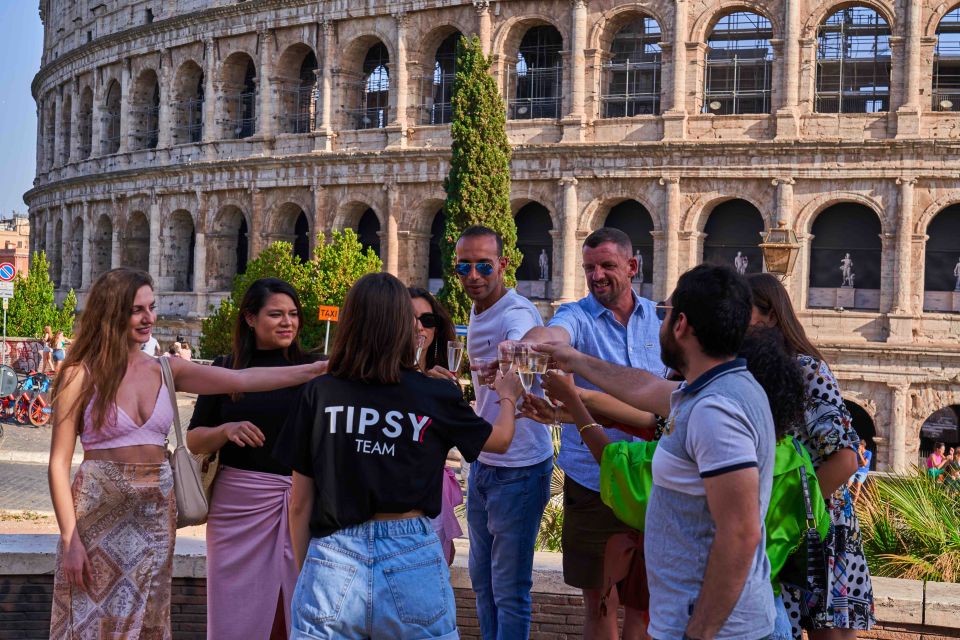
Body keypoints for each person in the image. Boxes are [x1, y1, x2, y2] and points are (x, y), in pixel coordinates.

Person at [47, 268, 326, 639]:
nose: (149, 318)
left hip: (155, 513)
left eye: (152, 307)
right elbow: (57, 463)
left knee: (147, 616)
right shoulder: (78, 374)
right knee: (89, 619)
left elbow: (244, 380)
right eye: (136, 310)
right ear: (110, 313)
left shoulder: (166, 368)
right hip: (98, 512)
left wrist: (324, 368)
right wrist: (70, 539)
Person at [274, 272, 524, 640]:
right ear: (401, 326)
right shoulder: (434, 394)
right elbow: (500, 441)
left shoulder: (320, 393)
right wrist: (508, 395)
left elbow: (299, 503)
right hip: (411, 553)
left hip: (333, 554)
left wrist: (306, 571)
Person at [538, 264, 776, 640]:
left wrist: (698, 632)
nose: (658, 323)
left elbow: (741, 532)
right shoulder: (716, 389)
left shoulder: (716, 412)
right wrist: (574, 360)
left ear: (680, 325)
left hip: (716, 629)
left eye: (664, 314)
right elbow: (645, 388)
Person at [520, 227, 661, 639]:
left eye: (606, 265)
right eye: (589, 268)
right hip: (593, 482)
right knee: (599, 602)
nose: (596, 275)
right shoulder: (576, 316)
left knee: (644, 608)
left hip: (651, 483)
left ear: (632, 267)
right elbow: (552, 335)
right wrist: (525, 343)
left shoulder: (661, 320)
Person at [187, 278, 321, 639]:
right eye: (276, 314)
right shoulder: (225, 368)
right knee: (234, 609)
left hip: (302, 503)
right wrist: (225, 430)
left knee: (299, 605)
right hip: (237, 506)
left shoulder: (316, 368)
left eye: (293, 314)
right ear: (249, 318)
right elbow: (194, 439)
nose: (287, 322)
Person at [748, 272, 873, 638]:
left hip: (820, 529)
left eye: (745, 311)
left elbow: (846, 459)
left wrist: (788, 517)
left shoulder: (807, 370)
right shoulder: (751, 374)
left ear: (771, 316)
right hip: (787, 531)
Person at [453, 225, 554, 639]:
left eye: (483, 266)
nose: (473, 275)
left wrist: (511, 356)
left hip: (520, 468)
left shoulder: (516, 311)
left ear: (503, 265)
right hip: (484, 462)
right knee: (482, 582)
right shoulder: (478, 310)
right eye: (463, 266)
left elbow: (524, 339)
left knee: (509, 589)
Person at [408, 286, 463, 565]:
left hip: (433, 494)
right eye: (409, 317)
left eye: (427, 321)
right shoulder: (376, 381)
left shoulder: (443, 385)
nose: (419, 327)